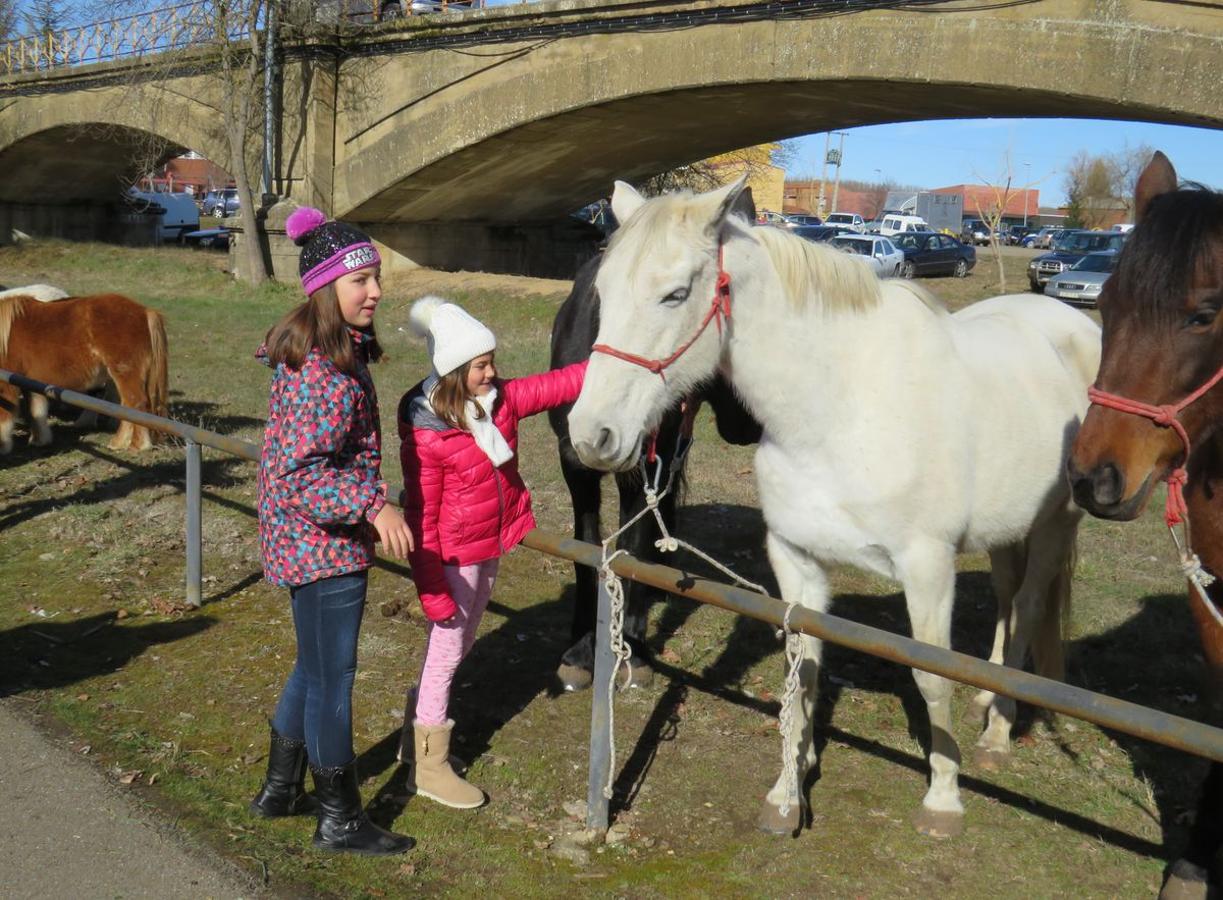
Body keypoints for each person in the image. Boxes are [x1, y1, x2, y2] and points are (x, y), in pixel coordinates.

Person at [251, 205, 416, 856]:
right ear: (324, 287)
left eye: (376, 278)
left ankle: (279, 787)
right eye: (360, 281)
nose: (374, 291)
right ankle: (340, 819)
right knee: (332, 681)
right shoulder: (323, 370)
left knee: (314, 667)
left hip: (304, 540)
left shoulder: (328, 351)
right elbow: (300, 474)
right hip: (320, 544)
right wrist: (375, 506)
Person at [396, 296, 587, 808]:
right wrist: (432, 587)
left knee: (457, 644)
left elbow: (555, 386)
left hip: (488, 543)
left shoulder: (497, 402)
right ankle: (430, 767)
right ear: (457, 370)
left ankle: (413, 740)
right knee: (448, 649)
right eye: (482, 365)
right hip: (455, 558)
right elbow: (421, 516)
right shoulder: (430, 433)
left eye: (492, 361)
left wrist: (609, 365)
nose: (493, 372)